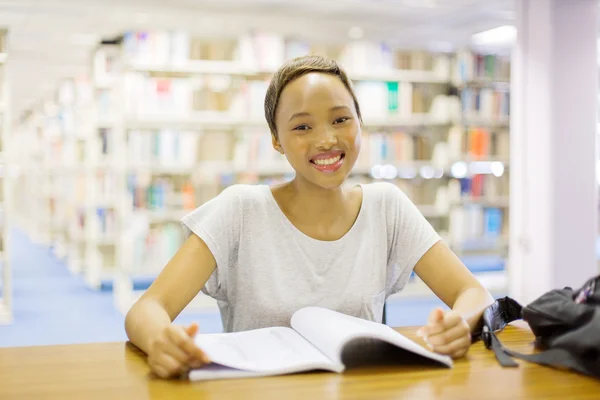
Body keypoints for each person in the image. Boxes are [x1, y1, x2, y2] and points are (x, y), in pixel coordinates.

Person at [124, 55, 495, 379]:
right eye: (303, 126)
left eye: (341, 119)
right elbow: (147, 309)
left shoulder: (387, 206)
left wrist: (459, 324)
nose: (327, 140)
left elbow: (473, 292)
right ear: (276, 139)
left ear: (360, 123)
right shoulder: (240, 209)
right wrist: (162, 341)